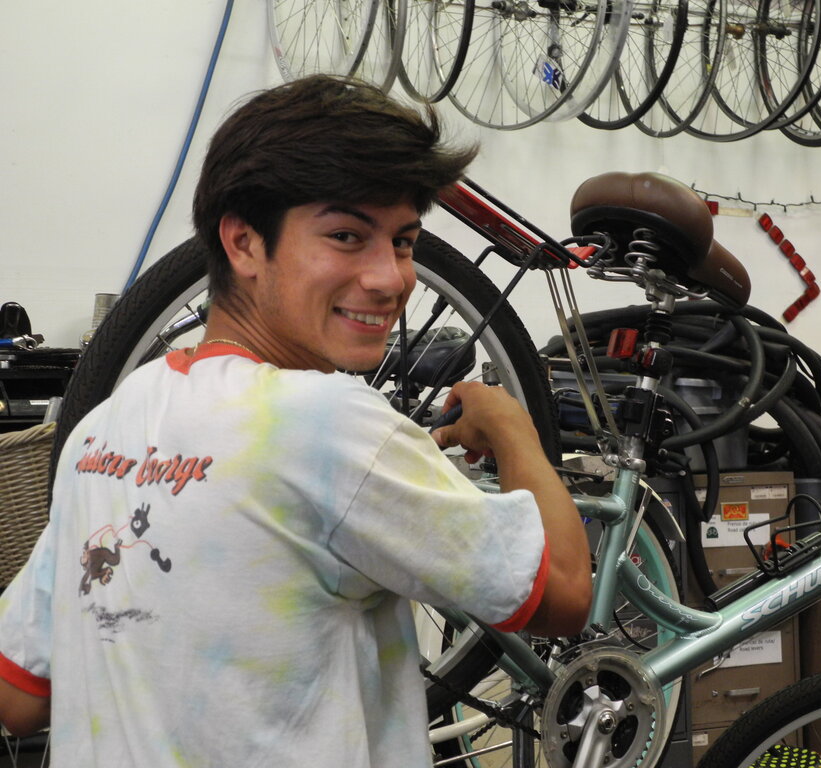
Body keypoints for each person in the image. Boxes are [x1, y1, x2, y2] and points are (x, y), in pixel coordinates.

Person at [0, 75, 592, 766]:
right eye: (346, 236)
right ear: (244, 243)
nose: (390, 277)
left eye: (403, 241)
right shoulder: (327, 425)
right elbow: (562, 593)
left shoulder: (102, 433)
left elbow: (19, 698)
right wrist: (514, 430)